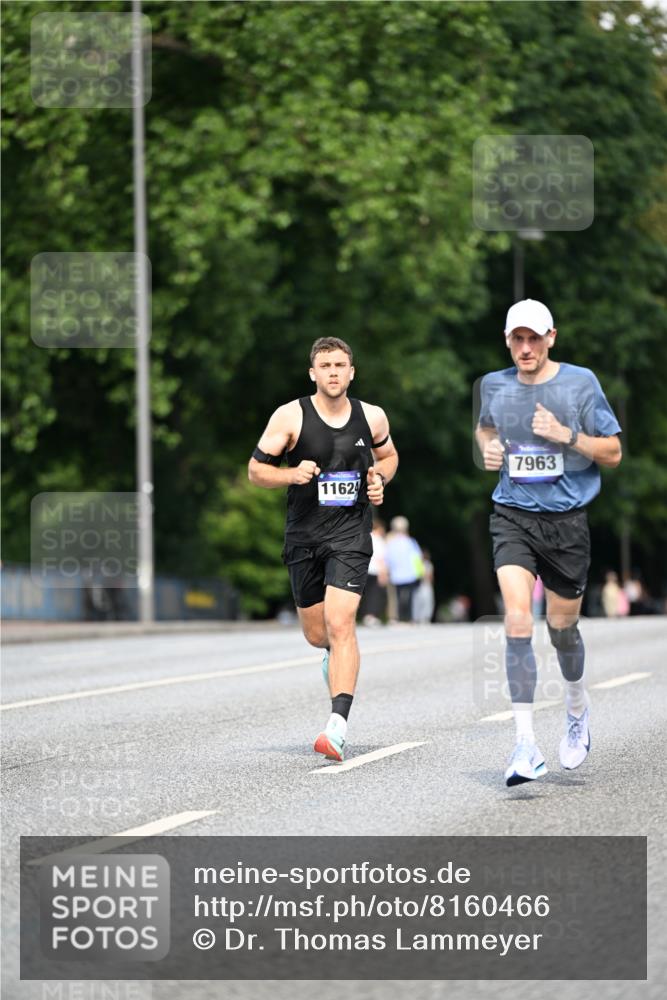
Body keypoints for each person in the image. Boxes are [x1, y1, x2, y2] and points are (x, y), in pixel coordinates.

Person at [475, 298, 622, 786]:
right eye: (517, 338)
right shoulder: (495, 384)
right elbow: (485, 428)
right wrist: (488, 448)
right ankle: (525, 744)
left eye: (533, 338)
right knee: (518, 618)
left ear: (551, 338)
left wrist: (567, 435)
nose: (525, 347)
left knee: (562, 630)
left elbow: (614, 452)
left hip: (567, 523)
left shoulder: (581, 383)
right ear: (507, 341)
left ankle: (576, 706)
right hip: (512, 514)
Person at [248, 337, 398, 761]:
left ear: (352, 372)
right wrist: (291, 474)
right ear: (313, 373)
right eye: (325, 365)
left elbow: (389, 458)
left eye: (341, 365)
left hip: (350, 537)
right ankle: (334, 660)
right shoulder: (291, 416)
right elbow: (256, 470)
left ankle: (337, 726)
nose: (333, 372)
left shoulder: (372, 417)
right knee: (319, 635)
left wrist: (379, 480)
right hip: (303, 539)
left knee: (341, 623)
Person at [384, 516, 423, 622]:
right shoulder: (410, 542)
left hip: (395, 574)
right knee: (409, 597)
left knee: (395, 597)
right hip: (409, 574)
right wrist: (419, 572)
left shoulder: (390, 542)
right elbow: (417, 558)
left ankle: (397, 617)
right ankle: (409, 617)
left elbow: (386, 558)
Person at [360, 519, 388, 626]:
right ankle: (371, 615)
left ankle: (364, 615)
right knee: (374, 594)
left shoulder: (366, 537)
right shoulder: (379, 540)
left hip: (363, 570)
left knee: (364, 594)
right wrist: (383, 573)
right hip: (375, 570)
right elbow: (381, 558)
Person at [412, 547, 435, 623]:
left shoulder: (429, 565)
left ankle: (425, 617)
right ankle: (417, 617)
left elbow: (430, 576)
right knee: (417, 601)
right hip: (419, 585)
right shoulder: (417, 563)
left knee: (427, 601)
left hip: (426, 585)